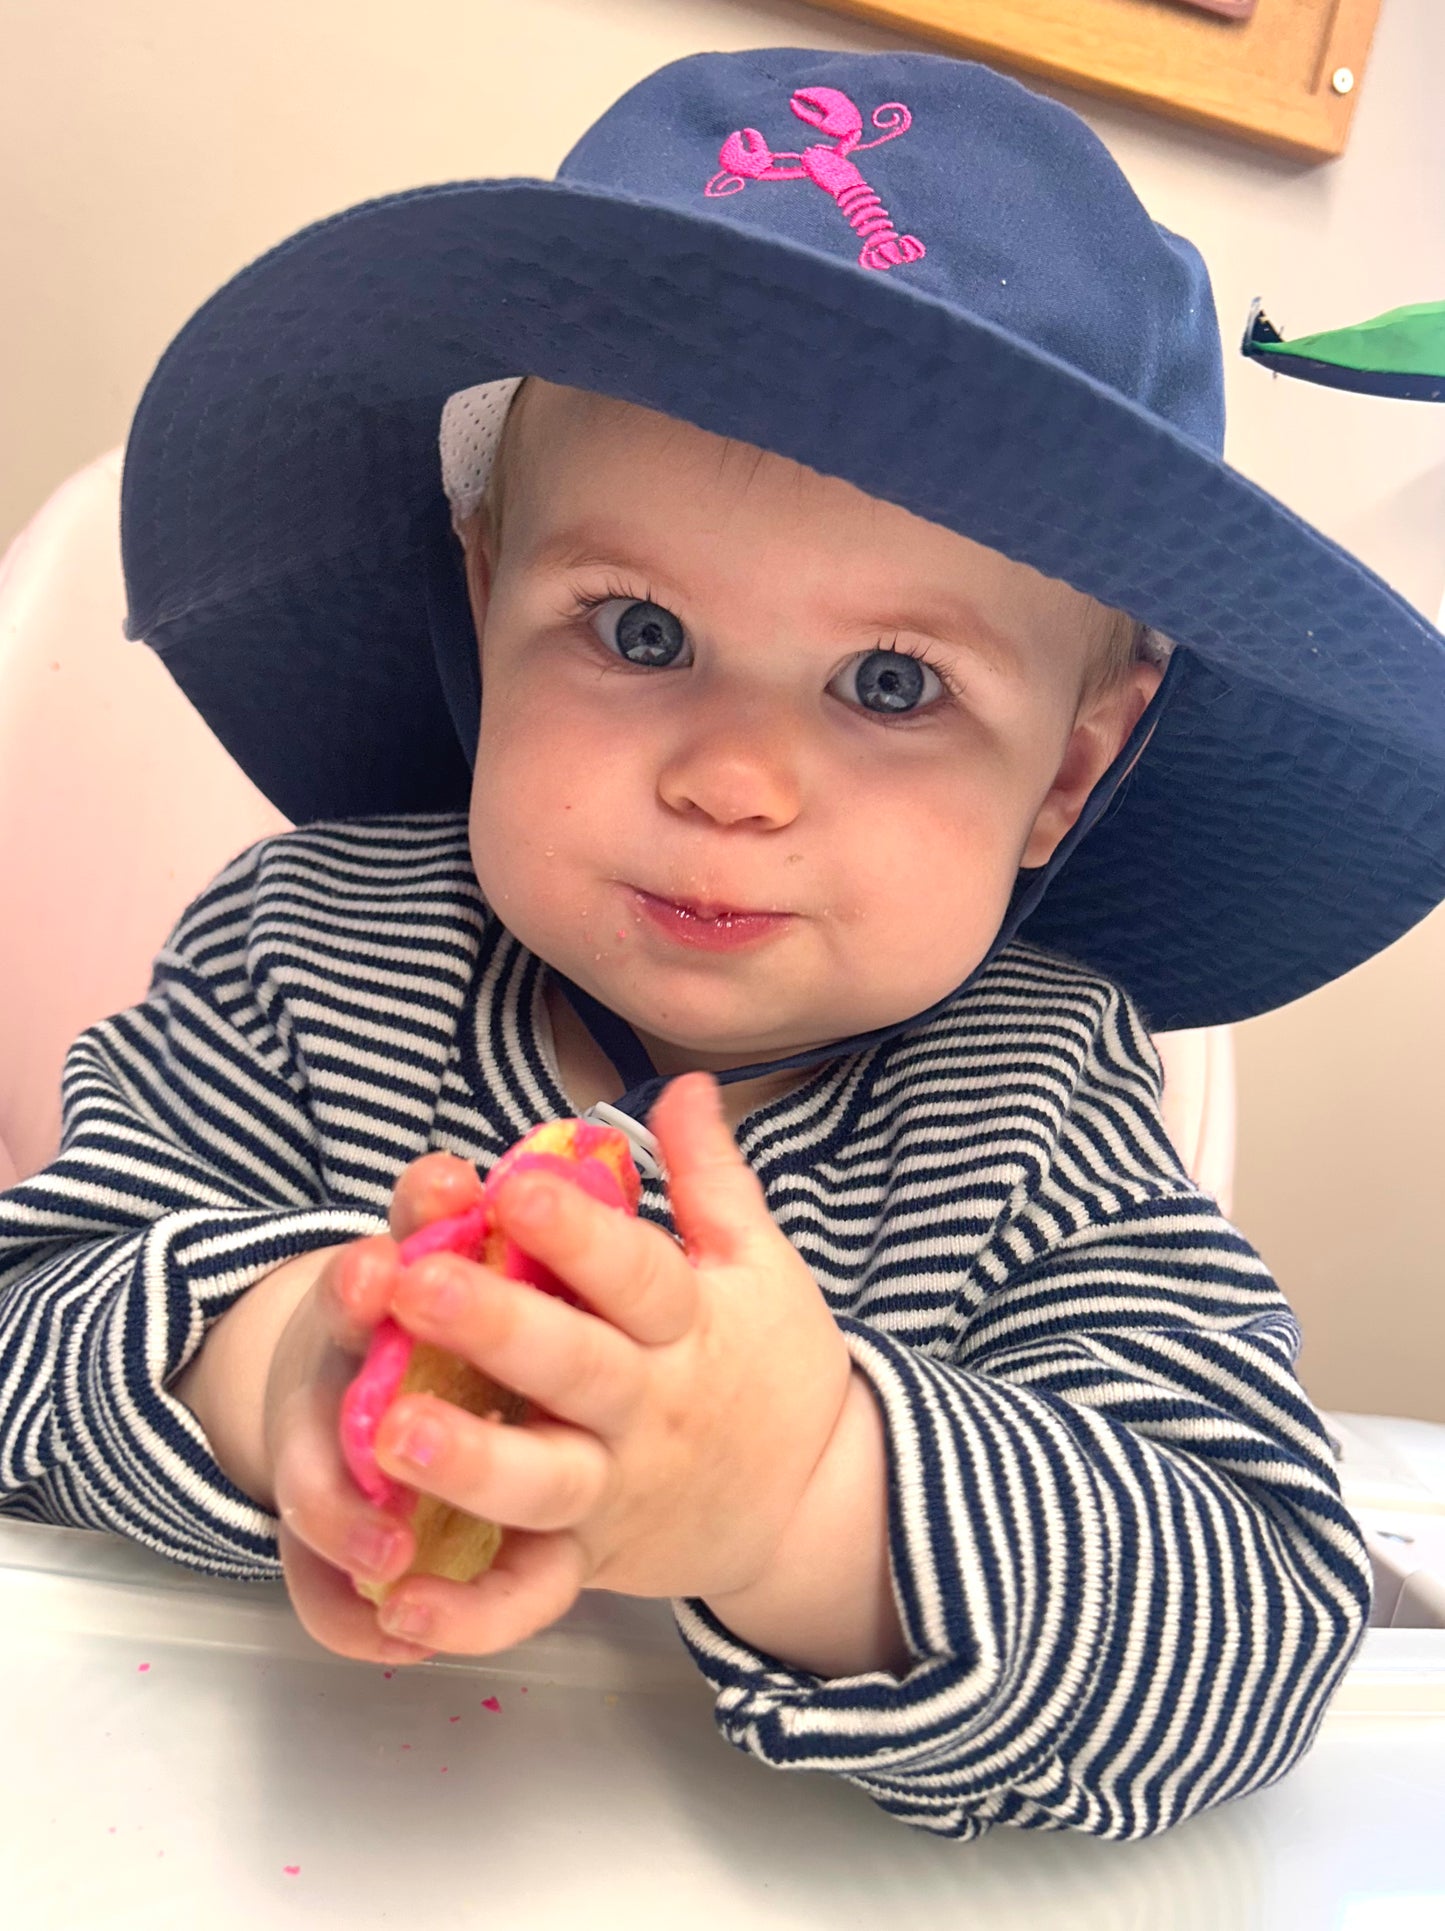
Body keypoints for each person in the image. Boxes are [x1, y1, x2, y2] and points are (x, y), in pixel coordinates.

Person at [2, 47, 1443, 1842]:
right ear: (483, 600)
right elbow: (24, 1310)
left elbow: (1258, 1620)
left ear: (1065, 769)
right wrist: (278, 1363)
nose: (735, 776)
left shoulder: (1042, 1109)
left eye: (892, 684)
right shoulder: (306, 955)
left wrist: (799, 1493)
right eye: (634, 629)